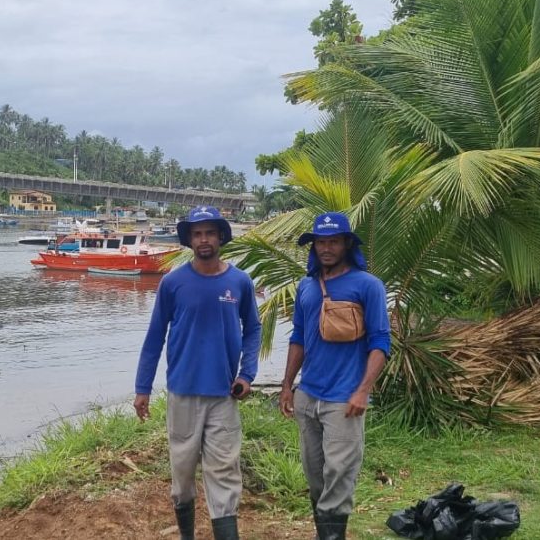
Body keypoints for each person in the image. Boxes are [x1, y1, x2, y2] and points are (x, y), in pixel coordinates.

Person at [134, 205, 261, 540]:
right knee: (183, 476)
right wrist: (142, 388)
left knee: (224, 476)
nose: (204, 240)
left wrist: (247, 374)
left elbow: (253, 329)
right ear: (189, 239)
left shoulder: (240, 282)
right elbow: (155, 336)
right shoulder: (173, 283)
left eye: (210, 232)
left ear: (221, 236)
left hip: (223, 396)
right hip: (183, 394)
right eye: (197, 233)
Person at [279, 212, 390, 540]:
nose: (326, 248)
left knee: (339, 476)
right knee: (316, 478)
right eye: (320, 242)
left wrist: (362, 390)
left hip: (344, 400)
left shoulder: (368, 286)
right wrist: (288, 386)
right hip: (308, 396)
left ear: (346, 244)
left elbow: (380, 342)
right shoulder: (306, 286)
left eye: (333, 241)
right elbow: (298, 337)